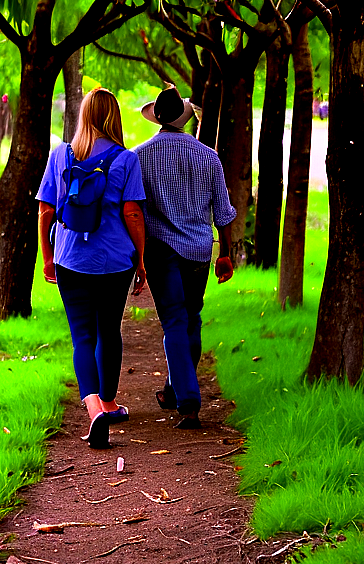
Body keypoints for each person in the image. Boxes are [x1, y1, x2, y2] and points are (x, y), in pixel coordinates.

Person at [37, 88, 147, 449]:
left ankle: (95, 410)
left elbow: (46, 212)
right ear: (113, 117)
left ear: (84, 116)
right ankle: (110, 402)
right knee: (109, 330)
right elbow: (132, 213)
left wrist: (47, 256)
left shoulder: (61, 155)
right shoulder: (126, 160)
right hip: (114, 261)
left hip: (70, 258)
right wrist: (141, 261)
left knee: (82, 336)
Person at [134, 86, 236, 429]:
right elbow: (223, 212)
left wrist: (138, 258)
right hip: (199, 250)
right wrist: (227, 252)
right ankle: (174, 389)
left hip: (161, 249)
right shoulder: (210, 156)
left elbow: (133, 210)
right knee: (191, 318)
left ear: (157, 119)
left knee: (176, 322)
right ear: (183, 118)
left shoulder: (139, 156)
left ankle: (189, 402)